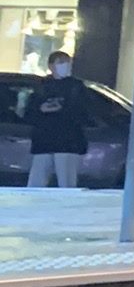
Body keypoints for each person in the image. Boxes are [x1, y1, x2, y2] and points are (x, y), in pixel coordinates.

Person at [26, 50, 91, 189]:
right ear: (51, 66)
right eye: (60, 62)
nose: (65, 66)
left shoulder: (76, 86)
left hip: (68, 141)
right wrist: (41, 109)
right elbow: (29, 112)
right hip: (44, 140)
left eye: (67, 62)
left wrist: (61, 109)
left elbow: (83, 112)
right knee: (36, 183)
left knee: (66, 183)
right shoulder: (41, 86)